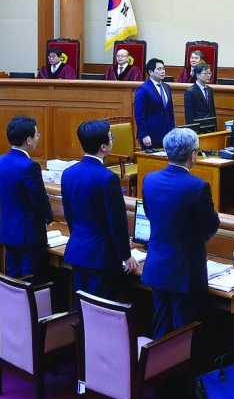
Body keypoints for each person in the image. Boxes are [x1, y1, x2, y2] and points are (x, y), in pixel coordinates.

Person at [141, 127, 220, 338]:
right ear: (192, 155)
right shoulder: (198, 186)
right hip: (185, 274)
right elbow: (211, 225)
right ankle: (181, 372)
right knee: (183, 335)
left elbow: (150, 214)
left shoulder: (149, 180)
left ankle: (158, 371)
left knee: (161, 330)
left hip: (157, 267)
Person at [61, 120, 133, 300]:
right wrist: (126, 255)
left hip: (78, 251)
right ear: (103, 146)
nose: (112, 141)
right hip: (101, 258)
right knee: (99, 313)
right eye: (111, 138)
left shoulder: (68, 173)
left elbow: (69, 214)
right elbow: (116, 222)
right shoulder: (108, 178)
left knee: (82, 309)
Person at [0, 115, 54, 280]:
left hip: (8, 232)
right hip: (29, 237)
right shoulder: (30, 167)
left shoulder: (0, 161)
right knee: (30, 284)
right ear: (28, 140)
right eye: (36, 135)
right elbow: (40, 201)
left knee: (13, 282)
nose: (37, 138)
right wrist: (49, 218)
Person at [133, 57, 174, 149]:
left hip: (166, 134)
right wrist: (144, 135)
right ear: (150, 72)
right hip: (151, 136)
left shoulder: (167, 87)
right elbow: (139, 115)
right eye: (159, 69)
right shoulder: (143, 89)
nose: (163, 71)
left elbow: (170, 112)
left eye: (163, 69)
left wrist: (172, 131)